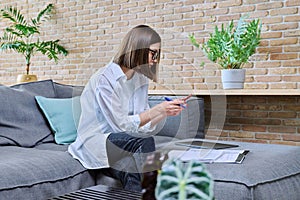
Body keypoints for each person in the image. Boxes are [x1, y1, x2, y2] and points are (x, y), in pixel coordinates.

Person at [68, 25, 190, 192]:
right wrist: (157, 110)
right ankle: (154, 189)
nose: (156, 58)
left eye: (158, 54)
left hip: (123, 145)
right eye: (153, 52)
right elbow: (120, 126)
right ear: (137, 49)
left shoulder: (140, 79)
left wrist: (163, 112)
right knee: (145, 143)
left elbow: (142, 124)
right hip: (98, 141)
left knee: (131, 170)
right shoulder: (105, 80)